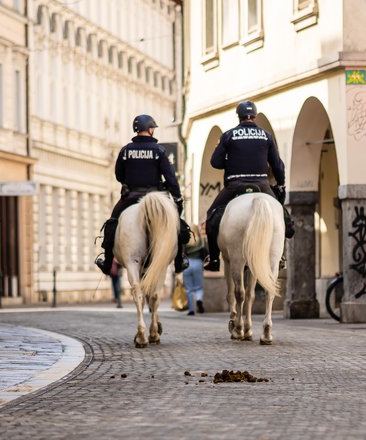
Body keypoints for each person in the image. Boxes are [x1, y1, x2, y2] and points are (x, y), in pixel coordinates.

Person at [203, 101, 295, 272]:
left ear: (238, 116)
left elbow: (215, 162)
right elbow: (277, 165)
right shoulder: (266, 135)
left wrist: (230, 162)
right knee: (283, 218)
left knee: (212, 216)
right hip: (261, 183)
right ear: (254, 115)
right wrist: (281, 184)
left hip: (234, 185)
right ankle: (280, 256)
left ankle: (214, 258)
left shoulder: (229, 135)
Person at [95, 114, 190, 275]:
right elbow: (170, 177)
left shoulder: (126, 150)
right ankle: (179, 260)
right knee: (177, 224)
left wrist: (130, 181)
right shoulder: (159, 150)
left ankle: (107, 262)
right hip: (155, 197)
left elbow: (119, 175)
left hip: (131, 196)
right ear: (150, 129)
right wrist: (176, 195)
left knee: (112, 223)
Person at [184, 224, 206, 315]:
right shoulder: (201, 240)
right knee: (199, 287)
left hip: (187, 264)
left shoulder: (186, 240)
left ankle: (191, 310)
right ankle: (199, 300)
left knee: (189, 289)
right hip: (198, 263)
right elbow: (206, 252)